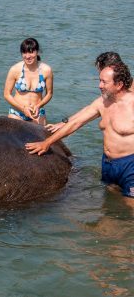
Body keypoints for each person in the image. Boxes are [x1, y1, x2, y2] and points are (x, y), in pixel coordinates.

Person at [25, 57, 134, 202]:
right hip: (108, 165)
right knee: (111, 205)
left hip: (130, 166)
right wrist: (47, 143)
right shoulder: (102, 103)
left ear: (119, 84)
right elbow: (75, 123)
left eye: (104, 82)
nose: (99, 86)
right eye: (99, 80)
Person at [45, 51, 126, 134]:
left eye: (100, 71)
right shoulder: (113, 91)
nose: (100, 76)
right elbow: (90, 109)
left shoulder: (126, 93)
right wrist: (64, 123)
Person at [4, 38, 53, 125]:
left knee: (43, 138)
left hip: (37, 113)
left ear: (37, 52)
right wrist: (23, 109)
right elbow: (7, 94)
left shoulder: (46, 70)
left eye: (31, 52)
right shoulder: (15, 69)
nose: (27, 56)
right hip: (17, 113)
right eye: (24, 52)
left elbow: (49, 93)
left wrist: (39, 105)